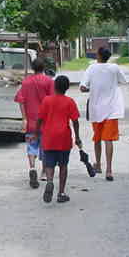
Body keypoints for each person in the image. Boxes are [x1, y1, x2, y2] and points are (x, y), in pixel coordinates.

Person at [80, 47, 128, 181]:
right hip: (112, 109)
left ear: (99, 55)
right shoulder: (114, 68)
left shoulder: (91, 68)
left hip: (96, 109)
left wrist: (90, 88)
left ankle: (98, 165)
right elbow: (124, 81)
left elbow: (82, 87)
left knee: (97, 138)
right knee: (109, 140)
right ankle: (109, 170)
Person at [35, 75, 82, 203]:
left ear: (54, 86)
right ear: (67, 88)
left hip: (49, 137)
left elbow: (39, 119)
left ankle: (50, 181)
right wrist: (77, 137)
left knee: (49, 164)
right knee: (63, 165)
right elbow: (75, 121)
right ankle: (61, 192)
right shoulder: (70, 101)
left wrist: (35, 133)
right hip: (64, 138)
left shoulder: (46, 100)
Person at [15, 58, 54, 188]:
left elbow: (20, 100)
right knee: (45, 148)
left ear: (32, 68)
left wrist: (24, 118)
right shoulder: (49, 81)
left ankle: (32, 168)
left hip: (31, 122)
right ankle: (43, 173)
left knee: (32, 147)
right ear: (43, 68)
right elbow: (53, 100)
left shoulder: (26, 82)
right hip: (45, 122)